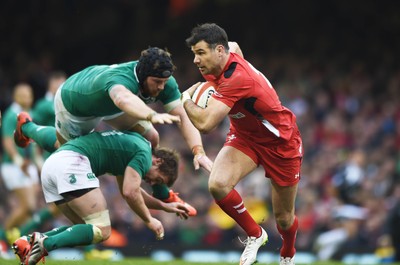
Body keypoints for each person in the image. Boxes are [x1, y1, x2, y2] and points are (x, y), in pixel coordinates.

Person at [14, 47, 213, 215]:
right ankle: (27, 127)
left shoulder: (164, 81)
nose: (162, 87)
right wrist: (151, 115)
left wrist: (198, 151)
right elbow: (122, 99)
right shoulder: (121, 80)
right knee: (65, 150)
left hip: (110, 106)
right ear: (143, 76)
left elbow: (182, 118)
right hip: (75, 105)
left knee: (152, 137)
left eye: (164, 82)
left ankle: (161, 192)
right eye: (157, 82)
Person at [182, 23, 303, 265]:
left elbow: (205, 125)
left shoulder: (236, 78)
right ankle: (255, 234)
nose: (196, 60)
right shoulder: (225, 55)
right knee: (217, 185)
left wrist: (186, 101)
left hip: (280, 142)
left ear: (218, 51)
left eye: (201, 53)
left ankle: (287, 254)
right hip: (245, 136)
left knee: (284, 218)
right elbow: (234, 46)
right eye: (194, 53)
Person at [13, 129, 190, 265]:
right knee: (102, 230)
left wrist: (166, 206)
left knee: (84, 230)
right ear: (158, 161)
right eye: (158, 179)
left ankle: (30, 241)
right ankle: (43, 245)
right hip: (73, 163)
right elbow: (130, 193)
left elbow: (131, 191)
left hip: (53, 165)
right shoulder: (144, 153)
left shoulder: (133, 150)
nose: (152, 183)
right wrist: (149, 220)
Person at [1, 83, 41, 239]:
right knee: (28, 207)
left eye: (29, 95)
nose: (27, 98)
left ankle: (17, 240)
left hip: (28, 164)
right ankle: (2, 238)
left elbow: (33, 143)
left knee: (30, 210)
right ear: (15, 97)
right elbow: (7, 141)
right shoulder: (12, 115)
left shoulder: (31, 113)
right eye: (23, 95)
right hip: (13, 166)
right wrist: (18, 161)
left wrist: (38, 163)